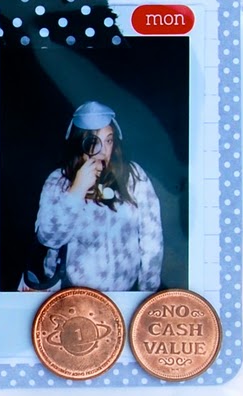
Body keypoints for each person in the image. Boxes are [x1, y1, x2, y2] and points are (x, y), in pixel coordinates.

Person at [31, 101, 163, 293]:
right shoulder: (59, 181)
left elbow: (152, 237)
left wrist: (147, 292)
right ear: (79, 143)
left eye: (109, 140)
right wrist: (77, 191)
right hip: (72, 294)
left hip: (123, 293)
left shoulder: (133, 176)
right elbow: (49, 238)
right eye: (94, 142)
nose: (103, 151)